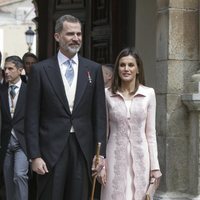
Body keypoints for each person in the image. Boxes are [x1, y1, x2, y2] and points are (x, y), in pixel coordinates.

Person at [25, 14, 107, 200]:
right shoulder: (40, 70)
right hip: (50, 153)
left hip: (83, 150)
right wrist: (34, 155)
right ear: (57, 37)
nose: (76, 38)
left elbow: (99, 116)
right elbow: (31, 117)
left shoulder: (93, 69)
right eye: (70, 34)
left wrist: (100, 154)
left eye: (78, 33)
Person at [100, 47, 162, 200]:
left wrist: (155, 167)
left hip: (142, 158)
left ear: (138, 69)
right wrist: (101, 162)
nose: (126, 69)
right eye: (122, 65)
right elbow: (103, 132)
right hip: (114, 158)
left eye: (130, 65)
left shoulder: (149, 93)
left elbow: (151, 133)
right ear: (117, 68)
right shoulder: (107, 94)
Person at [0, 56, 29, 200]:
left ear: (20, 70)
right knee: (8, 179)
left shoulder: (29, 91)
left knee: (19, 175)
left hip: (22, 142)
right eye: (5, 68)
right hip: (5, 142)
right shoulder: (1, 90)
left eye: (10, 68)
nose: (6, 71)